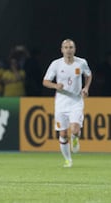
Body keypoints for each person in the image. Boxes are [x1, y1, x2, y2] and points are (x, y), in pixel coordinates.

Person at [42, 39, 92, 168]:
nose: (68, 50)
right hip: (61, 102)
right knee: (63, 134)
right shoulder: (56, 64)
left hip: (76, 100)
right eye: (66, 47)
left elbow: (88, 75)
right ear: (62, 50)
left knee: (74, 129)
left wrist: (86, 88)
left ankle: (75, 137)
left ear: (74, 49)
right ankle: (68, 160)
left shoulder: (81, 63)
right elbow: (45, 81)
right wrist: (55, 85)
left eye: (71, 47)